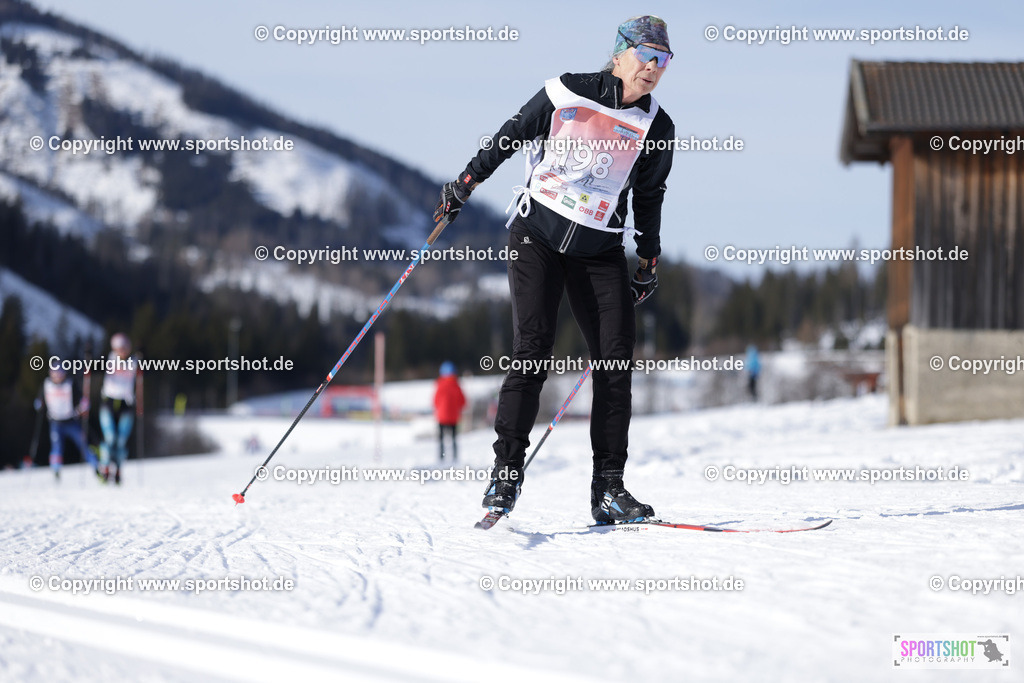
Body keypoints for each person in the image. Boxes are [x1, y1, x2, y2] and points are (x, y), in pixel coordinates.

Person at [433, 16, 675, 523]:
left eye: (664, 60)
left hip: (600, 248)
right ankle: (506, 473)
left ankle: (608, 489)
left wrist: (648, 257)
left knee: (615, 357)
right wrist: (466, 181)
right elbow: (512, 134)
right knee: (532, 348)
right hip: (536, 236)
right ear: (619, 54)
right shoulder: (567, 91)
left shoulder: (658, 127)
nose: (653, 68)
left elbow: (650, 197)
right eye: (646, 55)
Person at [38, 364, 95, 480]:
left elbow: (80, 399)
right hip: (55, 422)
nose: (58, 377)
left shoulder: (70, 383)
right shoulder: (47, 384)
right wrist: (39, 404)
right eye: (55, 374)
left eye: (60, 373)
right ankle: (56, 470)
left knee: (83, 443)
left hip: (71, 421)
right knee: (57, 446)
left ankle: (96, 466)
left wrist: (83, 405)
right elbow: (41, 399)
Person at [98, 333, 141, 484]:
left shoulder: (135, 361)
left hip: (126, 405)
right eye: (119, 348)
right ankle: (105, 468)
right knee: (110, 438)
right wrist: (88, 359)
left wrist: (144, 358)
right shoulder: (109, 359)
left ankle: (118, 470)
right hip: (108, 403)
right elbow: (94, 367)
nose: (122, 351)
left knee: (121, 440)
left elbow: (149, 371)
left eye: (125, 347)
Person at [433, 361, 467, 461]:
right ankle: (455, 457)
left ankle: (441, 457)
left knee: (441, 439)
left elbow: (435, 401)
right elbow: (463, 401)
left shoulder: (439, 384)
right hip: (454, 417)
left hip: (441, 417)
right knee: (453, 438)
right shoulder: (456, 385)